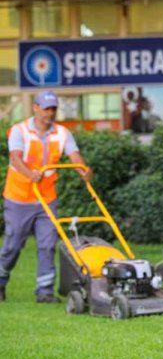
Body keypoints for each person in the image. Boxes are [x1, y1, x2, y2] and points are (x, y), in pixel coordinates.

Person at [0, 91, 92, 303]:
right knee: (13, 244)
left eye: (53, 109)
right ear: (35, 107)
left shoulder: (62, 133)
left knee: (47, 243)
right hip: (19, 198)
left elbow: (74, 155)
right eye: (46, 108)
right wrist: (29, 173)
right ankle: (1, 279)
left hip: (46, 198)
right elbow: (15, 157)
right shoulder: (19, 130)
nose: (49, 113)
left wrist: (84, 170)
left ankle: (45, 291)